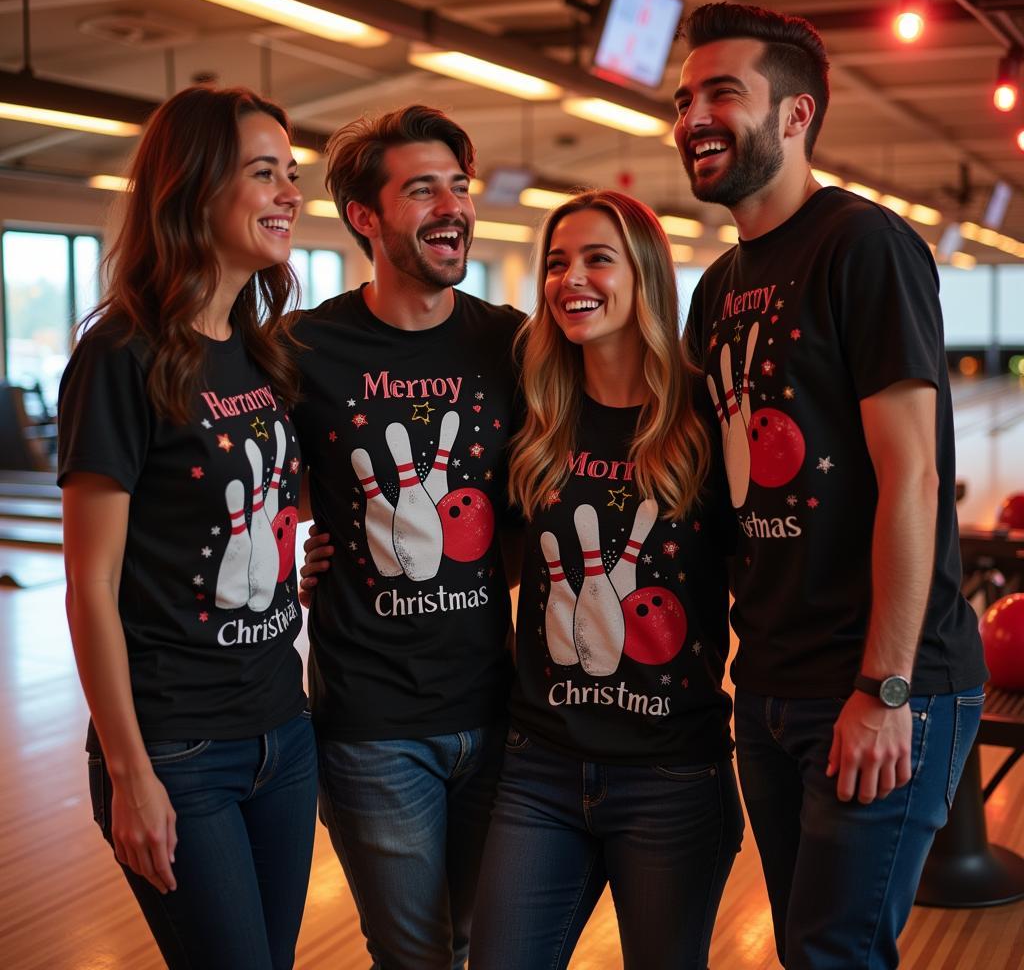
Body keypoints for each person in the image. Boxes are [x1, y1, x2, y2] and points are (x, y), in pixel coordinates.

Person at [674, 2, 988, 968]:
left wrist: (885, 688)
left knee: (831, 953)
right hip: (767, 684)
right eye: (684, 99)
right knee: (814, 946)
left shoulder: (864, 245)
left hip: (881, 683)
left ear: (797, 114)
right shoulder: (718, 288)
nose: (694, 117)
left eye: (723, 93)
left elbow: (916, 479)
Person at [58, 86, 317, 970]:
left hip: (284, 729)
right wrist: (131, 773)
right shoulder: (121, 352)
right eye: (263, 173)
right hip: (178, 748)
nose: (290, 193)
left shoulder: (263, 348)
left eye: (292, 174)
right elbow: (90, 584)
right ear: (194, 186)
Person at [465, 189, 742, 970]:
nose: (569, 278)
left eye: (596, 258)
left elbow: (757, 574)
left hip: (671, 776)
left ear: (644, 275)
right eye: (556, 262)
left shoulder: (702, 417)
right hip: (539, 768)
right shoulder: (539, 413)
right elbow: (494, 555)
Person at [287, 105, 523, 969]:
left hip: (500, 712)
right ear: (364, 216)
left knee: (475, 941)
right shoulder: (305, 347)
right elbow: (253, 486)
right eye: (421, 189)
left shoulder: (510, 343)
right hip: (371, 723)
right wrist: (292, 556)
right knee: (416, 954)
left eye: (459, 186)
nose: (452, 206)